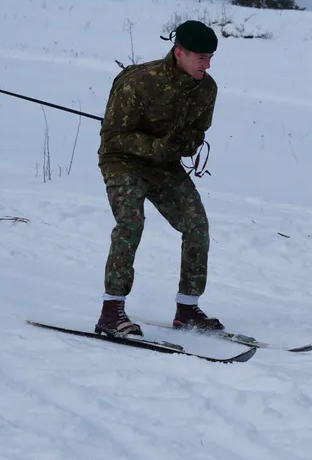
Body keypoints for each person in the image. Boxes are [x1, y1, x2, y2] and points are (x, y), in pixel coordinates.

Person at [94, 20, 224, 338]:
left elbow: (198, 130)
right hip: (123, 161)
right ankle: (111, 312)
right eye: (200, 57)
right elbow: (113, 136)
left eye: (210, 58)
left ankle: (188, 309)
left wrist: (186, 143)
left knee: (196, 226)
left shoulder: (207, 89)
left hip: (164, 166)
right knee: (131, 223)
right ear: (179, 52)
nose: (207, 65)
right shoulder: (140, 81)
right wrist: (156, 145)